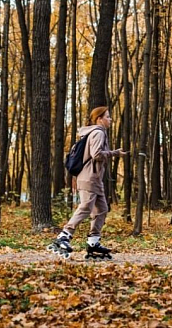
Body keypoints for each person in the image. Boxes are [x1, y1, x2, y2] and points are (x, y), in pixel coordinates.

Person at [50, 106, 128, 259]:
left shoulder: (95, 133)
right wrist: (115, 153)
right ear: (99, 119)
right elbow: (96, 154)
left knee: (102, 209)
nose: (110, 119)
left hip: (94, 179)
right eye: (108, 116)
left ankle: (93, 242)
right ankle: (64, 236)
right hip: (89, 177)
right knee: (86, 207)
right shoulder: (98, 133)